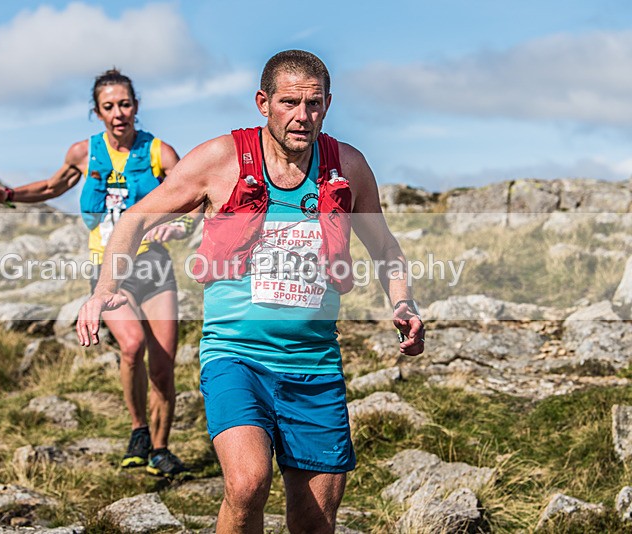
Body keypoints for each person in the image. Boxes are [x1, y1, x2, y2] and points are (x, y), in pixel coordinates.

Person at [76, 51, 425, 533]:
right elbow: (135, 220)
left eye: (315, 104)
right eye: (289, 103)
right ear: (264, 102)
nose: (303, 117)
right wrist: (105, 288)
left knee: (315, 520)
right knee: (247, 484)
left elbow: (386, 248)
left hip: (315, 363)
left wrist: (403, 302)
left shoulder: (348, 166)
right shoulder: (221, 159)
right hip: (236, 356)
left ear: (327, 104)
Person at [0, 69, 194, 478]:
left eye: (125, 104)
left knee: (163, 365)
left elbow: (195, 195)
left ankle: (160, 449)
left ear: (136, 106)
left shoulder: (159, 152)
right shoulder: (85, 152)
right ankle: (138, 432)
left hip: (154, 266)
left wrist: (181, 225)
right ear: (97, 112)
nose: (119, 113)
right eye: (109, 106)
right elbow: (50, 187)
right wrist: (8, 195)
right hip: (108, 271)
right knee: (131, 345)